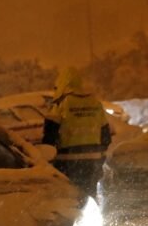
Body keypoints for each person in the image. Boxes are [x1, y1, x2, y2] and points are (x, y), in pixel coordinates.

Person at [42, 67, 111, 198]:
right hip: (92, 161)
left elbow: (49, 137)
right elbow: (106, 136)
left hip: (68, 162)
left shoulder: (61, 105)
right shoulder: (95, 103)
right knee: (90, 196)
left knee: (70, 198)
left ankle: (74, 217)